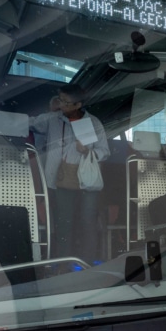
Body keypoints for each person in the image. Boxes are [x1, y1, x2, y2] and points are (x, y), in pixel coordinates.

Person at [30, 83, 110, 263]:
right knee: (63, 222)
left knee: (87, 221)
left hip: (87, 181)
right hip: (60, 179)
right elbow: (31, 124)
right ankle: (63, 263)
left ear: (78, 105)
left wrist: (89, 153)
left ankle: (87, 262)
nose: (60, 105)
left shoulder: (93, 123)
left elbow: (105, 151)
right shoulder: (53, 119)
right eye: (60, 99)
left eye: (65, 102)